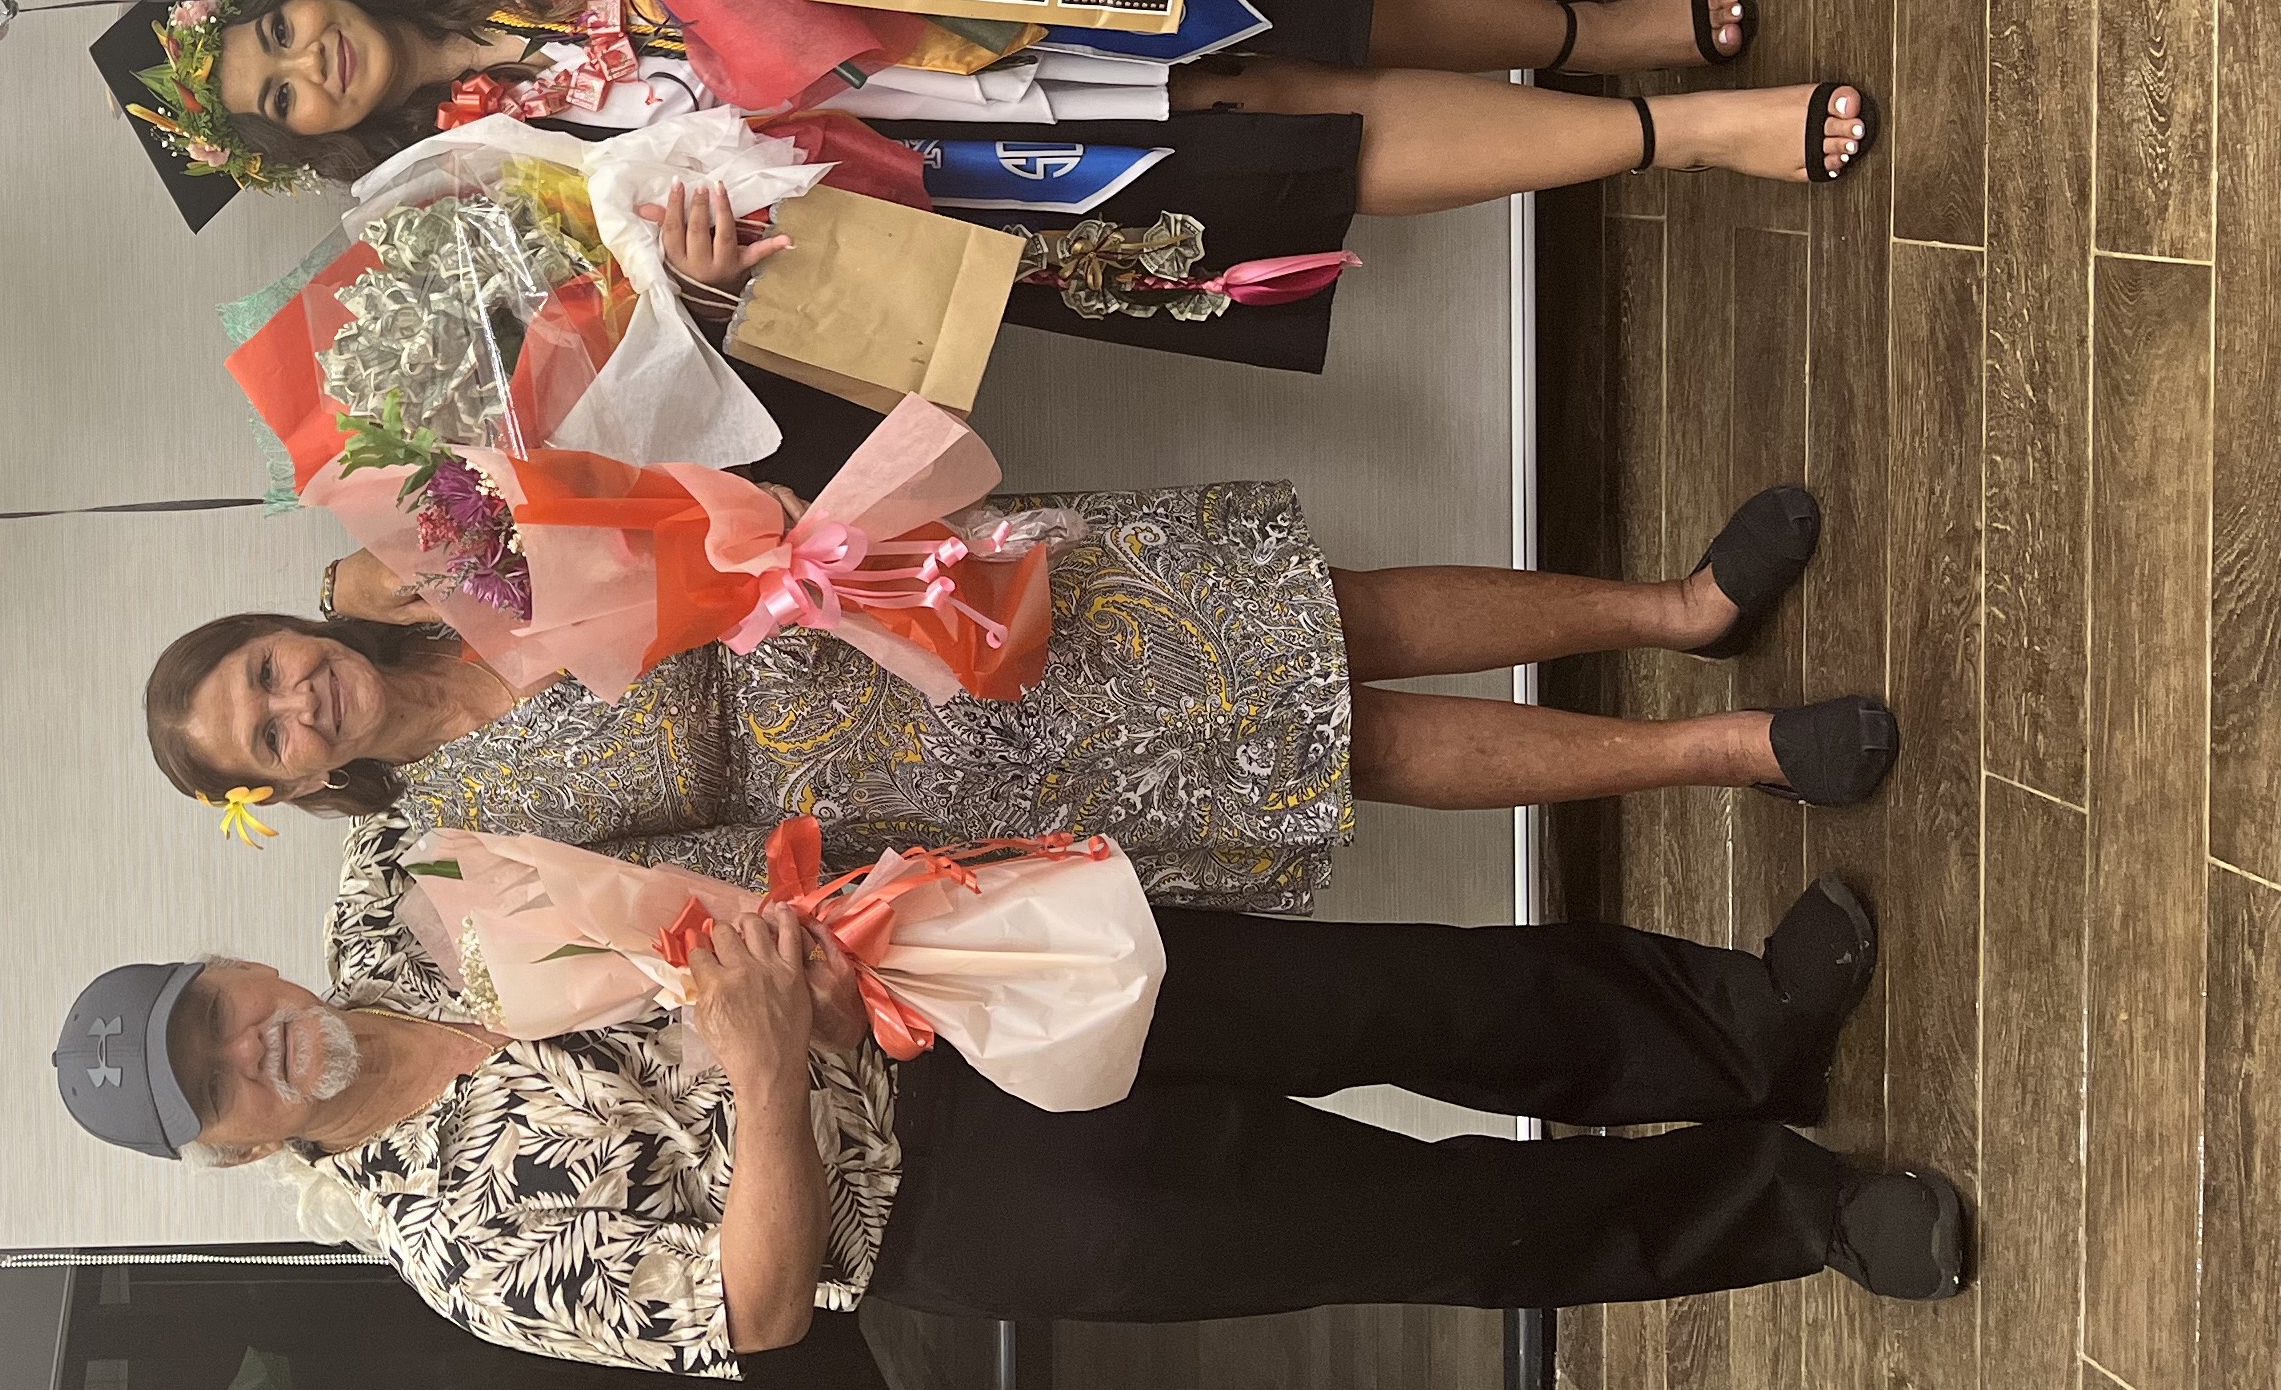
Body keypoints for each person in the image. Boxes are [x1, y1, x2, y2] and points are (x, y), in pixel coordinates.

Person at [48, 857, 1974, 1362]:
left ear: (237, 966)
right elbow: (755, 1305)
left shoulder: (406, 886)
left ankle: (1739, 1026)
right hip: (974, 1213)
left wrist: (787, 946)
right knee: (1432, 1225)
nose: (247, 1046)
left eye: (211, 1012)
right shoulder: (455, 1247)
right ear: (228, 1152)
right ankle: (1794, 1207)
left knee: (1397, 985)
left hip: (945, 982)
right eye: (208, 1082)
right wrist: (756, 1081)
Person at [102, 0, 1866, 389]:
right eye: (277, 100)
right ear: (310, 143)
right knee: (1265, 151)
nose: (299, 63)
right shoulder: (475, 190)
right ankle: (1678, 130)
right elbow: (650, 309)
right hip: (919, 179)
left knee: (1268, 8)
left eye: (269, 29)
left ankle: (1597, 30)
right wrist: (692, 277)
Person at [136, 477, 1896, 908]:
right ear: (284, 787)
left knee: (1309, 605)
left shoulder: (440, 557)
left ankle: (1676, 600)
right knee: (1318, 748)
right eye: (266, 737)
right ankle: (1723, 749)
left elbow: (633, 449)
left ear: (286, 634)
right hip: (937, 780)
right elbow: (685, 902)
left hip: (893, 589)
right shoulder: (460, 849)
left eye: (264, 672)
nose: (295, 705)